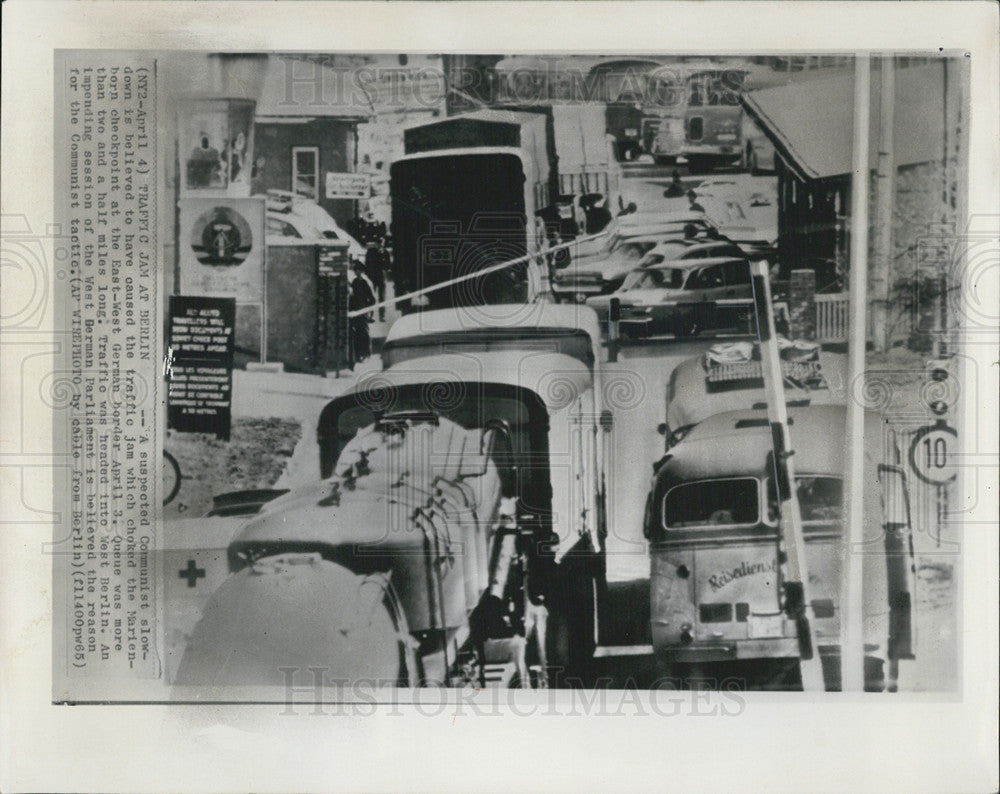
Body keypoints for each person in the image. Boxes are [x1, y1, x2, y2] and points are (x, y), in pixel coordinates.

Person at [348, 260, 376, 364]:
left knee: (364, 332)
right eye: (355, 270)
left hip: (363, 311)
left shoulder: (366, 282)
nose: (355, 272)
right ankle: (359, 354)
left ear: (361, 271)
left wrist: (369, 311)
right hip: (356, 310)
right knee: (357, 333)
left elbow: (372, 299)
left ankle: (366, 353)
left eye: (357, 270)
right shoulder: (355, 281)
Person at [365, 241, 388, 321]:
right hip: (373, 277)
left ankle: (382, 316)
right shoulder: (370, 252)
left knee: (382, 297)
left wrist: (385, 270)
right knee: (371, 296)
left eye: (382, 242)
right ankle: (370, 315)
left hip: (381, 278)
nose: (380, 244)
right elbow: (367, 264)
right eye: (379, 242)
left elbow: (388, 264)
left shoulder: (385, 252)